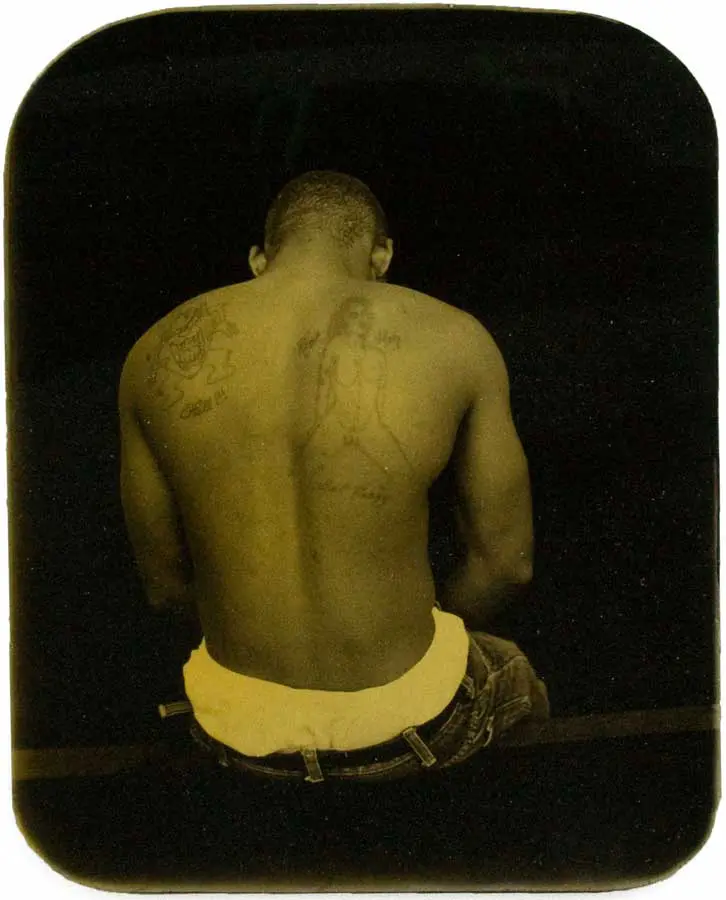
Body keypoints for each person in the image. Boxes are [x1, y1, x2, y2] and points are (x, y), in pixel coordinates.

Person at [119, 171, 548, 783]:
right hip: (411, 728)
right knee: (512, 672)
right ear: (382, 254)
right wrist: (417, 630)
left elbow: (164, 588)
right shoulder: (457, 338)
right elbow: (507, 565)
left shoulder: (153, 353)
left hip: (237, 732)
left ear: (260, 259)